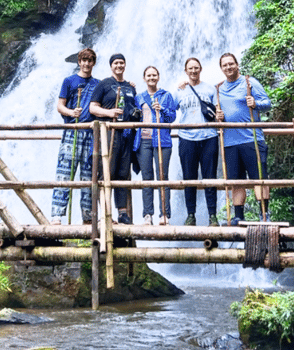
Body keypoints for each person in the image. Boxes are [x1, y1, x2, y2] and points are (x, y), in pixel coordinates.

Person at [215, 52, 272, 224]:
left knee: (259, 178)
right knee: (236, 181)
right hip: (230, 142)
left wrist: (255, 104)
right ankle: (238, 216)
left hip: (251, 139)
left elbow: (267, 103)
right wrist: (217, 116)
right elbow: (213, 111)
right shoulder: (218, 89)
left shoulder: (249, 82)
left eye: (231, 64)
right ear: (221, 68)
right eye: (225, 65)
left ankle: (264, 214)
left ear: (237, 64)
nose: (228, 67)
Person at [89, 53, 139, 224]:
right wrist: (109, 113)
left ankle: (122, 212)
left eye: (122, 63)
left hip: (126, 133)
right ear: (111, 66)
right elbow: (93, 108)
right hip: (110, 132)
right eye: (116, 63)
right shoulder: (104, 84)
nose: (119, 66)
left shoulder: (130, 87)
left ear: (125, 65)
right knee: (107, 171)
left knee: (123, 173)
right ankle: (105, 213)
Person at [51, 48, 99, 225]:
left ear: (93, 63)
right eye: (83, 60)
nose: (86, 64)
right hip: (73, 130)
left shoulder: (98, 84)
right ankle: (57, 215)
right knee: (65, 172)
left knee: (89, 175)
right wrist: (71, 112)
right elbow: (60, 106)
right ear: (79, 62)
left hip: (90, 133)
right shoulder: (69, 81)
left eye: (90, 61)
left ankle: (88, 217)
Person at [174, 57, 220, 226]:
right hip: (186, 138)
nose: (193, 71)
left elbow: (218, 112)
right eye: (190, 68)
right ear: (185, 71)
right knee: (189, 177)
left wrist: (220, 117)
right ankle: (191, 215)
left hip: (209, 137)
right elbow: (169, 111)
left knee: (210, 177)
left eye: (196, 68)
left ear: (200, 69)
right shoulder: (179, 90)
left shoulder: (210, 89)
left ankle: (213, 216)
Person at [133, 66, 176, 225]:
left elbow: (172, 117)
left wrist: (162, 108)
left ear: (158, 77)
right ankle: (147, 214)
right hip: (143, 140)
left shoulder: (166, 96)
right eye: (148, 75)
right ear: (144, 78)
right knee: (147, 178)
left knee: (163, 177)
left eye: (154, 75)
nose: (151, 77)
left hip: (162, 141)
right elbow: (135, 117)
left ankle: (164, 214)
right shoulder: (139, 97)